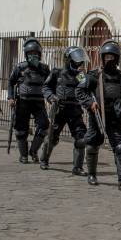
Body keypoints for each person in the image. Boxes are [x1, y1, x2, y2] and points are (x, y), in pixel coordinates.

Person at [75, 39, 121, 190]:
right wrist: (90, 103)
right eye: (106, 57)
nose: (109, 60)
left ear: (117, 58)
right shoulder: (93, 75)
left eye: (112, 57)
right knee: (92, 145)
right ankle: (92, 175)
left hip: (115, 117)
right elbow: (79, 90)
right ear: (102, 57)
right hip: (97, 116)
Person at [39, 46, 89, 174]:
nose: (78, 63)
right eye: (76, 61)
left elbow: (85, 89)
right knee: (52, 137)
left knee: (81, 138)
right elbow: (46, 87)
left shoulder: (80, 75)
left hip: (75, 110)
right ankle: (44, 159)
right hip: (59, 110)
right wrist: (51, 97)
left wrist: (88, 78)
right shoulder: (57, 72)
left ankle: (77, 167)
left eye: (80, 61)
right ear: (68, 60)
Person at [7, 37, 50, 163]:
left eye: (35, 53)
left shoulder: (44, 69)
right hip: (23, 101)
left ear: (39, 54)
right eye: (30, 54)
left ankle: (33, 150)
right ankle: (24, 155)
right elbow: (10, 83)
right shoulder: (19, 68)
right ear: (26, 54)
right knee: (21, 129)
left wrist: (50, 97)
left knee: (44, 126)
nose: (33, 56)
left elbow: (50, 84)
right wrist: (10, 97)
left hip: (39, 102)